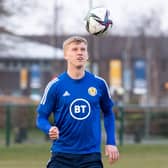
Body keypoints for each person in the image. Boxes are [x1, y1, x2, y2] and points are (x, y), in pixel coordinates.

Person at [36, 36, 119, 168]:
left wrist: (111, 142)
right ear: (65, 55)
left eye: (83, 49)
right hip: (62, 155)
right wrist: (49, 128)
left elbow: (108, 113)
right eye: (74, 49)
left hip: (91, 156)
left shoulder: (99, 83)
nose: (79, 52)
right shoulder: (55, 85)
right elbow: (41, 117)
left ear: (87, 55)